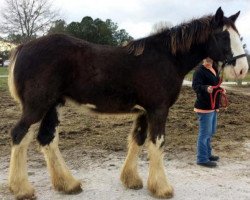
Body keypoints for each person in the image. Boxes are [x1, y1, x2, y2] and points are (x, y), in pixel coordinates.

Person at [192, 57, 225, 168]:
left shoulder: (214, 68)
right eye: (207, 58)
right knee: (204, 134)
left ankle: (208, 154)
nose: (209, 60)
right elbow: (195, 86)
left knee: (210, 132)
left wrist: (220, 89)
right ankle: (202, 159)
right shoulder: (199, 71)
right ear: (203, 58)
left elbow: (215, 83)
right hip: (205, 106)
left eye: (211, 58)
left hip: (213, 106)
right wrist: (206, 88)